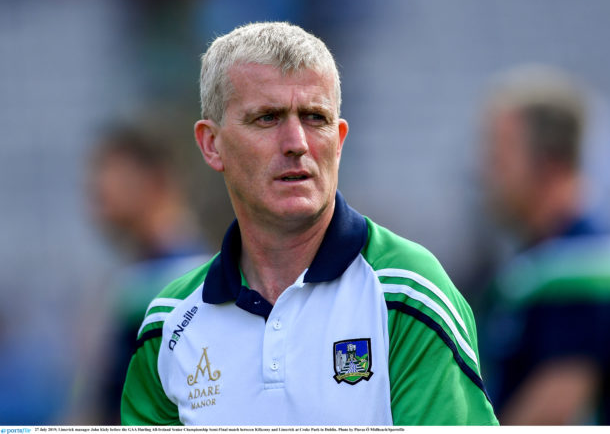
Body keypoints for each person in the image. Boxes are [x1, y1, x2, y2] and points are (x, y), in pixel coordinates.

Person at [120, 22, 498, 426]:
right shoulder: (168, 324)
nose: (297, 142)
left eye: (315, 117)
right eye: (267, 118)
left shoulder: (408, 292)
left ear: (339, 139)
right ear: (212, 144)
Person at [477, 66, 610, 425]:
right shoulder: (552, 250)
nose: (487, 170)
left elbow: (554, 407)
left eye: (501, 153)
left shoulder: (584, 260)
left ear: (547, 162)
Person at [88, 126, 210, 423]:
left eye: (111, 177)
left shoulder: (179, 281)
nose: (97, 194)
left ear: (155, 181)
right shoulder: (136, 277)